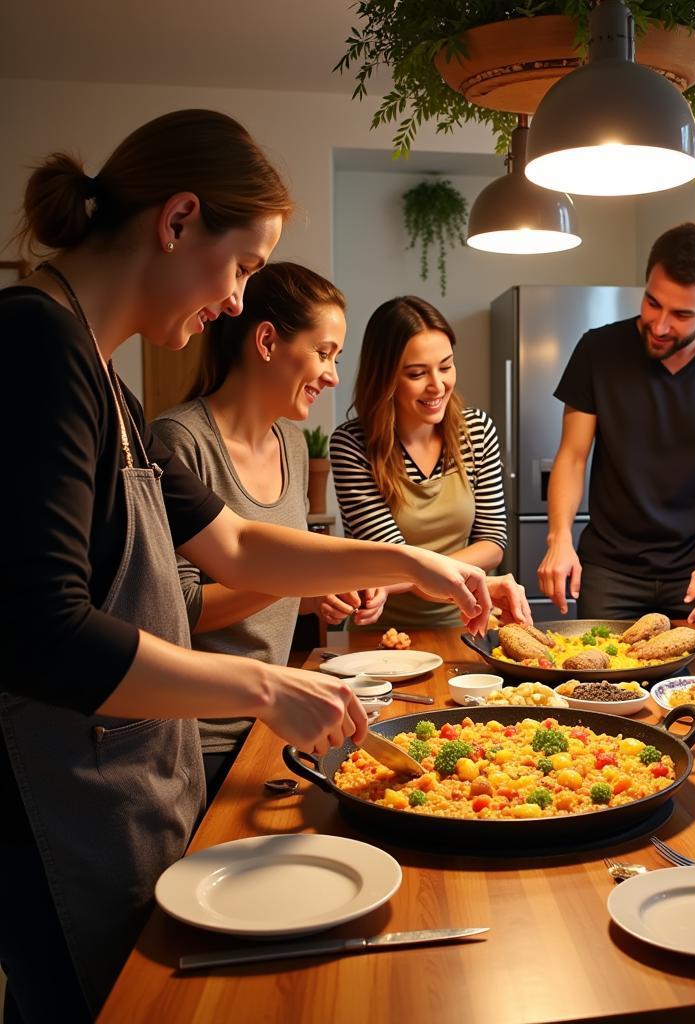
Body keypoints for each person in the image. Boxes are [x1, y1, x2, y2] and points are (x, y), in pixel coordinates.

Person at [0, 109, 492, 1023]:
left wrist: (411, 565)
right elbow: (38, 632)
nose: (235, 303)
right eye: (243, 268)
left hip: (128, 785)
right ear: (177, 220)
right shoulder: (35, 344)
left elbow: (234, 542)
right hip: (58, 812)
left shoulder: (99, 372)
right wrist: (261, 691)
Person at [153, 262, 386, 798]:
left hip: (276, 720)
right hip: (203, 736)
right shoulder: (180, 440)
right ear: (266, 341)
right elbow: (180, 609)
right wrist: (296, 581)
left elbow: (265, 590)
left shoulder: (293, 444)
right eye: (324, 352)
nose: (332, 375)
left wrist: (315, 597)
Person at [537, 222, 695, 623]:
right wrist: (559, 537)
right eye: (652, 303)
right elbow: (573, 455)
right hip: (609, 570)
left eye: (682, 314)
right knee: (601, 682)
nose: (660, 324)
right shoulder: (598, 350)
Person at [331, 295, 530, 629]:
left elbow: (493, 542)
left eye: (446, 366)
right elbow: (392, 558)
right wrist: (432, 574)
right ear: (386, 377)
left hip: (468, 626)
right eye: (416, 373)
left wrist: (420, 574)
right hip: (384, 637)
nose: (437, 385)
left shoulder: (476, 430)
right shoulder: (353, 445)